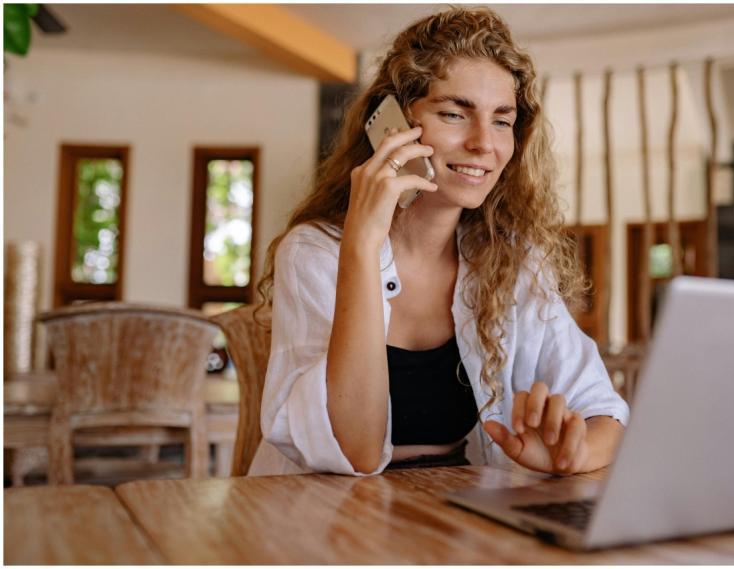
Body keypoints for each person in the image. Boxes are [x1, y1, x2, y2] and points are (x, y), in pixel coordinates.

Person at [249, 7, 629, 477]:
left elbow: (604, 413)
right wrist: (362, 246)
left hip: (452, 501)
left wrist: (574, 453)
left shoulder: (512, 259)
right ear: (390, 125)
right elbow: (357, 451)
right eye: (454, 114)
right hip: (323, 507)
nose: (483, 143)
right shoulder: (314, 252)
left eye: (502, 121)